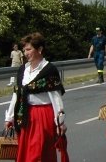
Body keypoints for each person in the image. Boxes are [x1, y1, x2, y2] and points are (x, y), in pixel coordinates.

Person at [4, 32, 66, 162]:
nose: (26, 53)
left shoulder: (49, 70)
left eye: (29, 49)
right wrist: (9, 117)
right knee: (26, 153)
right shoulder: (23, 70)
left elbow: (56, 98)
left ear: (39, 49)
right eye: (24, 50)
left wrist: (60, 122)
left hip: (43, 116)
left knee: (38, 154)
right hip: (24, 116)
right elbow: (17, 94)